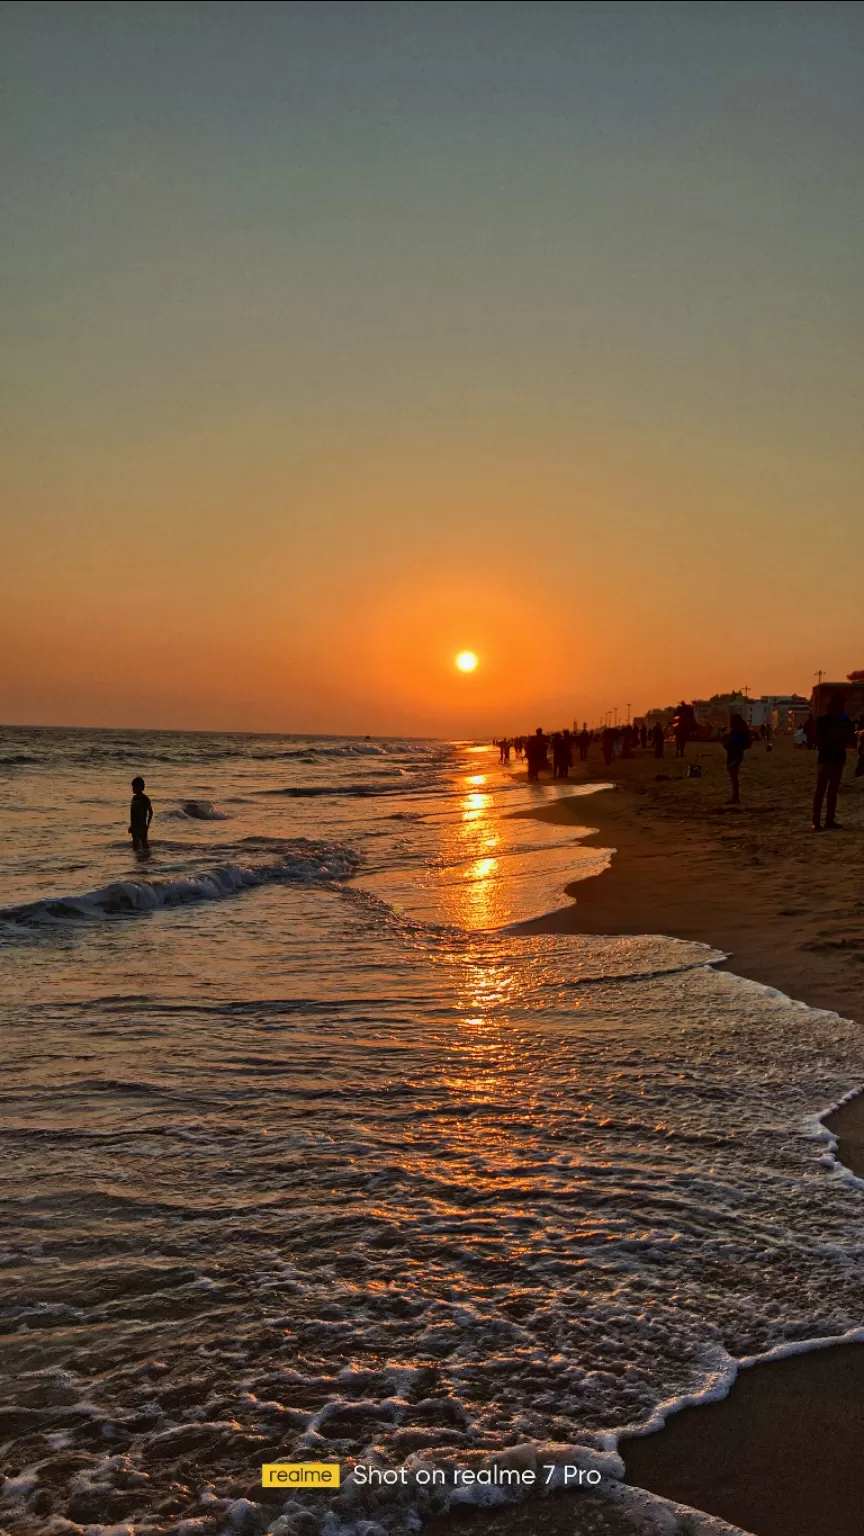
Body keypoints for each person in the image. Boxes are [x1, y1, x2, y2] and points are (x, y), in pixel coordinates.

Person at [812, 693, 857, 831]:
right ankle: (821, 821)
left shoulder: (826, 720)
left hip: (832, 757)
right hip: (830, 758)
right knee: (825, 790)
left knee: (828, 790)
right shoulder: (828, 721)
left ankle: (823, 820)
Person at [721, 713, 752, 806]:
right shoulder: (739, 731)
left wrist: (725, 742)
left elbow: (734, 743)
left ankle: (736, 798)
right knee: (734, 777)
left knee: (734, 777)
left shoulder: (739, 732)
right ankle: (735, 797)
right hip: (734, 755)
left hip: (735, 755)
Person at [129, 776, 153, 853]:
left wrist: (147, 825)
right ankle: (138, 861)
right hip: (135, 826)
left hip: (142, 825)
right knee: (135, 845)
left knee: (144, 843)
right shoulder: (134, 798)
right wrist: (131, 825)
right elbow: (132, 813)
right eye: (133, 787)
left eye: (134, 787)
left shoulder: (145, 798)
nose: (133, 789)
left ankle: (147, 859)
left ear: (140, 787)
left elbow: (151, 812)